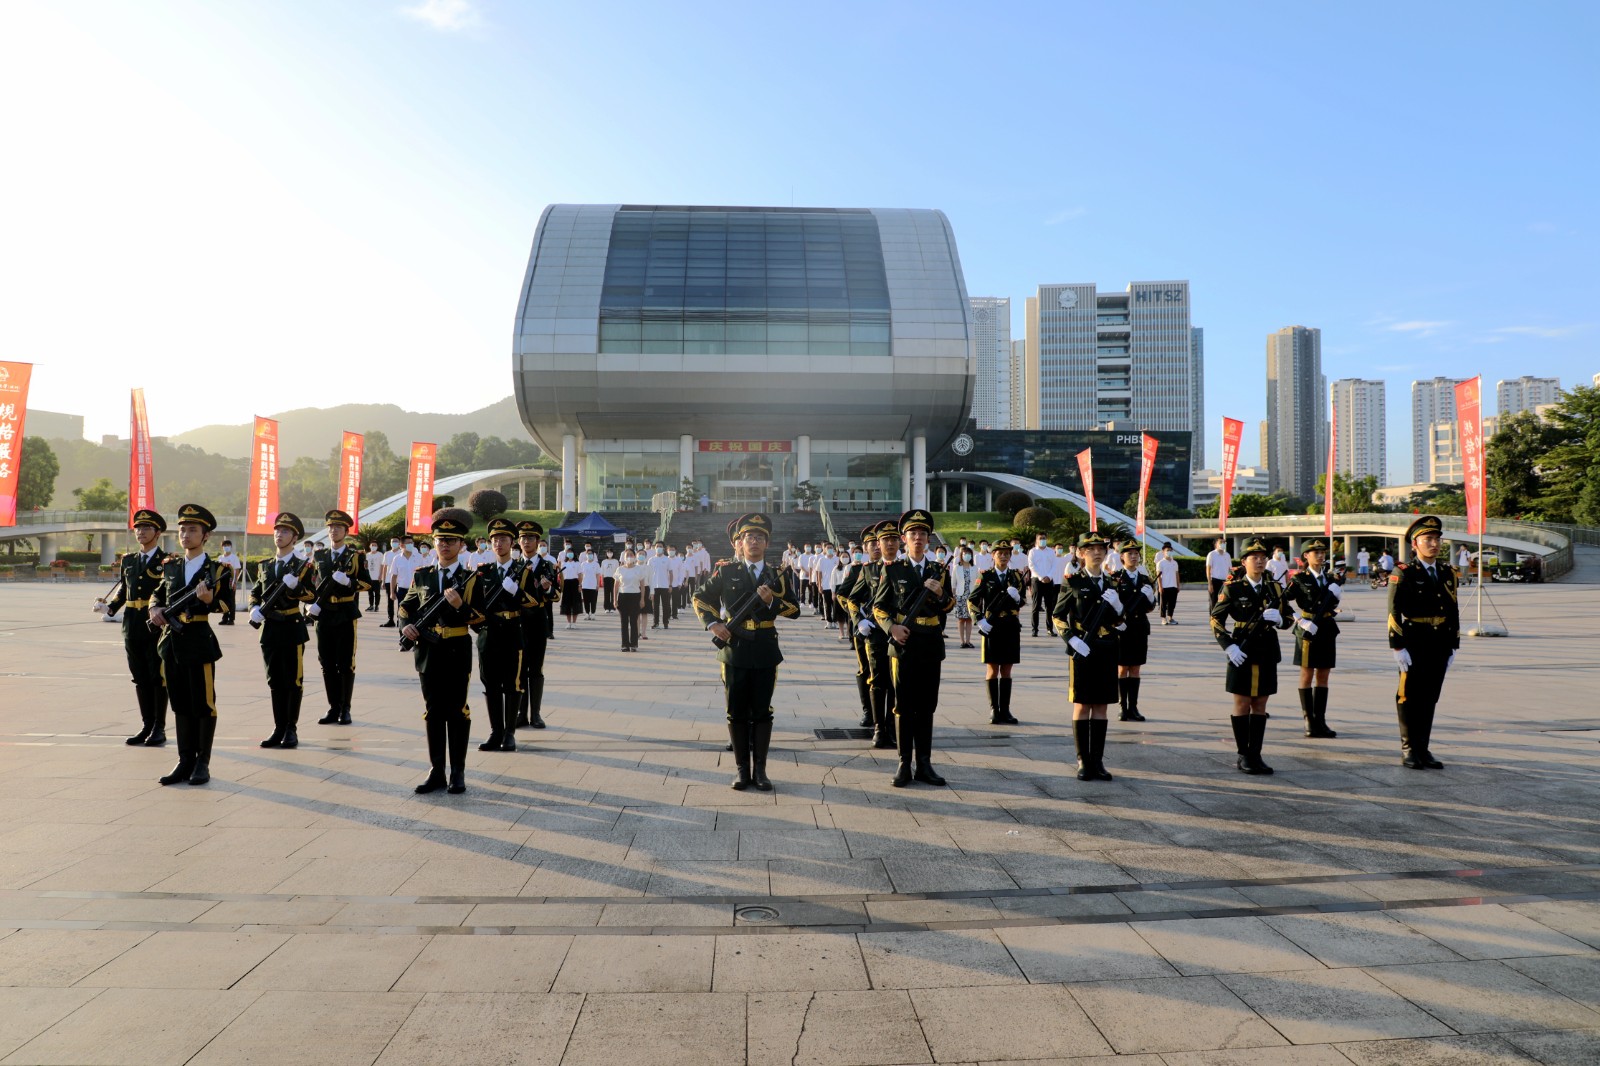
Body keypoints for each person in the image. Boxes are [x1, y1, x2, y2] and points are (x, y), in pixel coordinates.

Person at [692, 513, 800, 790]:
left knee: (762, 711)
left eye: (760, 537)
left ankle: (761, 771)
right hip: (734, 648)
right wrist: (713, 624)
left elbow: (794, 610)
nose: (754, 541)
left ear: (767, 543)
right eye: (748, 537)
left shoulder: (776, 575)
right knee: (736, 711)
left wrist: (772, 600)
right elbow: (700, 597)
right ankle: (742, 770)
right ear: (739, 542)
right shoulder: (727, 571)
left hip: (765, 646)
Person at [399, 508, 485, 795]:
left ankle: (457, 772)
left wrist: (461, 606)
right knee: (433, 711)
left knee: (457, 710)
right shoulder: (422, 575)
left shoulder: (471, 579)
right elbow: (405, 607)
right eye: (440, 540)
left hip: (456, 649)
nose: (445, 545)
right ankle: (436, 770)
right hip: (427, 651)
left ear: (462, 545)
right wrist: (407, 626)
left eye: (451, 540)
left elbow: (481, 620)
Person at [148, 504, 233, 786]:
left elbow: (226, 606)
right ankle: (184, 760)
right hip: (171, 643)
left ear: (205, 535)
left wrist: (210, 601)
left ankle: (202, 762)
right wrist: (154, 610)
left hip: (198, 640)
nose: (185, 534)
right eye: (183, 529)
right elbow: (157, 596)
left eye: (193, 530)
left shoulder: (217, 569)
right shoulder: (171, 566)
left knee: (203, 704)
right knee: (181, 704)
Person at [871, 509, 956, 787]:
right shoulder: (893, 569)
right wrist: (891, 629)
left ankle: (925, 764)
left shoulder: (938, 570)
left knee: (927, 706)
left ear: (928, 540)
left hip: (930, 642)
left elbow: (951, 605)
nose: (917, 538)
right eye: (912, 534)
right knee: (903, 706)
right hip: (904, 644)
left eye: (922, 534)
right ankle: (903, 763)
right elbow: (879, 607)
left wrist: (941, 593)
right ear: (904, 539)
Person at [1211, 538, 1294, 775]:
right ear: (1244, 561)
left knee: (1260, 703)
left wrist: (1280, 620)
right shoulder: (1233, 588)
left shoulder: (1274, 588)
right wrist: (1228, 646)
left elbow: (1288, 617)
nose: (1259, 561)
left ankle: (1256, 753)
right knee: (1242, 702)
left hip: (1266, 649)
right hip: (1242, 649)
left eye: (1262, 557)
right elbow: (1216, 619)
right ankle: (1243, 754)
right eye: (1254, 557)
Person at [1388, 515, 1460, 769]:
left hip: (1439, 640)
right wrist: (1397, 646)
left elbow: (1453, 609)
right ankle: (1409, 749)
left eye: (1437, 539)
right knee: (1409, 695)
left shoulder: (1446, 572)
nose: (1434, 543)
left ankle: (1423, 748)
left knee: (1430, 695)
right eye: (1428, 539)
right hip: (1414, 639)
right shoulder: (1404, 572)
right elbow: (1393, 610)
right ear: (1415, 544)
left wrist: (1453, 644)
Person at [94, 508, 170, 747]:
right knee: (139, 677)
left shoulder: (167, 562)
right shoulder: (129, 560)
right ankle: (146, 725)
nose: (140, 532)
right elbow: (123, 591)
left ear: (157, 532)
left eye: (146, 528)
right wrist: (109, 608)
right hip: (132, 624)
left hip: (155, 625)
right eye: (138, 528)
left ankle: (159, 727)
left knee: (157, 676)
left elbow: (169, 593)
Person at [1053, 532, 1124, 781]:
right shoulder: (1072, 582)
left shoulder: (1114, 583)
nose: (1096, 552)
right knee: (1083, 704)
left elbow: (1120, 620)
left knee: (1102, 706)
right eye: (1090, 549)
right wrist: (1070, 639)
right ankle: (1083, 760)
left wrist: (1119, 607)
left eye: (1100, 548)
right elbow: (1058, 616)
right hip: (1082, 646)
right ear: (1081, 554)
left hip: (1106, 647)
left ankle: (1098, 760)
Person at [250, 512, 317, 749]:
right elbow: (256, 592)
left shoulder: (302, 566)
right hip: (269, 629)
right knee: (274, 680)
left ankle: (291, 728)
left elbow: (311, 595)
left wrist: (296, 586)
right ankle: (278, 727)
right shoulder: (266, 565)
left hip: (291, 627)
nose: (279, 534)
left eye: (286, 531)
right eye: (277, 530)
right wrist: (253, 608)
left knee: (292, 680)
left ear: (295, 536)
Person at [474, 517, 538, 752]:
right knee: (490, 684)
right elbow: (474, 605)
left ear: (512, 542)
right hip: (489, 633)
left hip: (512, 631)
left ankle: (509, 732)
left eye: (503, 539)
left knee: (513, 684)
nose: (498, 543)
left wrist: (517, 592)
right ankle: (495, 732)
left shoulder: (523, 571)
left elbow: (533, 603)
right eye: (494, 539)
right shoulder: (483, 572)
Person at [312, 509, 369, 726]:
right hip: (324, 613)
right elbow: (313, 583)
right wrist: (311, 604)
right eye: (330, 527)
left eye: (338, 527)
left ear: (346, 531)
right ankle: (333, 706)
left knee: (345, 663)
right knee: (326, 662)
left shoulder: (355, 557)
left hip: (345, 613)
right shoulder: (319, 556)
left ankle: (345, 707)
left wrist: (349, 583)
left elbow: (367, 583)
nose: (333, 531)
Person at [1284, 538, 1343, 739]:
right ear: (1305, 557)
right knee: (1307, 674)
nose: (1320, 554)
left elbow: (1331, 604)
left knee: (1324, 675)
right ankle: (1308, 719)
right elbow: (1283, 601)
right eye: (1315, 552)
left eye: (1322, 551)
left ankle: (1321, 720)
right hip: (1308, 628)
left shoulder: (1331, 578)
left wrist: (1336, 594)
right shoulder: (1300, 579)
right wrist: (1299, 620)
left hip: (1326, 627)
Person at [854, 521, 900, 749]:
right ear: (878, 544)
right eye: (885, 540)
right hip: (876, 634)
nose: (890, 544)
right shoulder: (868, 570)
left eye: (894, 539)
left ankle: (892, 727)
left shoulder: (904, 568)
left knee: (895, 682)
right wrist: (859, 620)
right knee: (878, 680)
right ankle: (879, 728)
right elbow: (852, 598)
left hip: (899, 633)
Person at [968, 540, 1025, 725]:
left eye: (1006, 553)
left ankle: (1006, 709)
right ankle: (994, 709)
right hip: (991, 626)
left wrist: (1018, 598)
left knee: (1007, 669)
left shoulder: (1016, 576)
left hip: (1010, 625)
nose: (1003, 555)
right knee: (992, 668)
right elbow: (972, 600)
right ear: (992, 555)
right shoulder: (985, 576)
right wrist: (979, 619)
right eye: (999, 553)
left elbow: (1022, 600)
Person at [833, 528, 879, 726]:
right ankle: (868, 711)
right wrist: (858, 617)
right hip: (864, 627)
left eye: (880, 542)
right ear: (866, 548)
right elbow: (843, 595)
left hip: (889, 628)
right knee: (866, 669)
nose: (877, 547)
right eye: (872, 544)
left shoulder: (895, 568)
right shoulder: (858, 569)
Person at [1113, 539, 1158, 723]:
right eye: (1129, 553)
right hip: (1123, 628)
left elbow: (1150, 608)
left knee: (1136, 669)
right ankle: (1123, 707)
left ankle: (1134, 707)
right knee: (1123, 668)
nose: (1133, 556)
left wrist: (1151, 598)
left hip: (1139, 628)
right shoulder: (1115, 578)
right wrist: (1116, 621)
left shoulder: (1145, 579)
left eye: (1136, 553)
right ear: (1122, 557)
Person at [515, 521, 555, 728]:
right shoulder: (513, 566)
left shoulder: (548, 566)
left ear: (538, 542)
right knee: (520, 669)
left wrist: (547, 589)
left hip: (538, 621)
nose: (526, 541)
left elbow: (556, 595)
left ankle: (536, 714)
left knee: (535, 669)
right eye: (523, 538)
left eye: (531, 538)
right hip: (518, 622)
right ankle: (521, 713)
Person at [614, 547, 647, 650]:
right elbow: (616, 586)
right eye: (627, 555)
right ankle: (625, 644)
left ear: (634, 557)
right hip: (623, 596)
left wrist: (642, 599)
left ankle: (634, 644)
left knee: (633, 621)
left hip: (635, 596)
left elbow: (642, 585)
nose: (629, 557)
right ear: (624, 557)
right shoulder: (620, 569)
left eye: (631, 555)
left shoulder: (638, 569)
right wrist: (615, 599)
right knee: (624, 622)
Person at [1028, 533, 1060, 637]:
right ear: (1036, 540)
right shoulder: (1032, 552)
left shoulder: (1051, 552)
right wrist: (1041, 577)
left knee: (1049, 606)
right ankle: (1035, 629)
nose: (1042, 540)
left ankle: (1050, 628)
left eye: (1044, 538)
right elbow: (1031, 566)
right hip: (1037, 580)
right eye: (1040, 538)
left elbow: (1055, 565)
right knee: (1036, 606)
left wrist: (1049, 577)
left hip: (1049, 580)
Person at [385, 538, 419, 628]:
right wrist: (392, 592)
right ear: (402, 545)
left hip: (416, 591)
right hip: (402, 590)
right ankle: (402, 633)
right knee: (403, 614)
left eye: (412, 543)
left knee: (416, 614)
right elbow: (393, 576)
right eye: (408, 543)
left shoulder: (418, 557)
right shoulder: (397, 559)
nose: (411, 545)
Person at [949, 544, 978, 649]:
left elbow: (977, 582)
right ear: (961, 555)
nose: (967, 555)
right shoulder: (957, 567)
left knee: (969, 619)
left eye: (969, 554)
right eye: (965, 554)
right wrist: (953, 595)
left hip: (971, 596)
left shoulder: (975, 568)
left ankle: (968, 641)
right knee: (961, 619)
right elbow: (953, 582)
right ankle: (962, 641)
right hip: (960, 596)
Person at [216, 540, 242, 624]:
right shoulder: (220, 558)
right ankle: (224, 618)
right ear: (222, 547)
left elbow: (237, 570)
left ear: (231, 546)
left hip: (230, 581)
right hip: (221, 582)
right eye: (225, 545)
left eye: (228, 545)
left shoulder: (234, 558)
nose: (226, 546)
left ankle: (231, 619)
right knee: (223, 600)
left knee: (231, 600)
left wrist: (235, 582)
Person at [648, 545, 674, 629]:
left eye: (660, 547)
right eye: (657, 546)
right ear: (655, 548)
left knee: (666, 605)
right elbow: (648, 573)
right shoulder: (651, 560)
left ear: (663, 549)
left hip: (665, 585)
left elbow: (670, 573)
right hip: (654, 586)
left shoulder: (667, 559)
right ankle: (656, 623)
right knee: (655, 606)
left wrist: (670, 585)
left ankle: (666, 622)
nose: (658, 548)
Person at [1156, 543, 1181, 624]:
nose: (1169, 552)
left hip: (1173, 586)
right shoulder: (1160, 563)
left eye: (1170, 550)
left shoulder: (1175, 563)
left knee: (1172, 603)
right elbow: (1158, 576)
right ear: (1163, 552)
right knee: (1163, 603)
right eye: (1167, 551)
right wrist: (1160, 586)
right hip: (1165, 586)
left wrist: (1178, 585)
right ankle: (1163, 618)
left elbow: (1177, 574)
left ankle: (1170, 617)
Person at [559, 547, 583, 629]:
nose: (570, 554)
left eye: (571, 552)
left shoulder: (577, 563)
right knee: (567, 603)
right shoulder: (563, 563)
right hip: (566, 584)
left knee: (575, 603)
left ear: (574, 553)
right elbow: (561, 576)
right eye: (568, 552)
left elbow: (580, 575)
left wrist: (580, 585)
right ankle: (568, 622)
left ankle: (574, 622)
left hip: (574, 583)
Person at [1205, 538, 1231, 608]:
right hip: (1215, 581)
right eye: (1221, 542)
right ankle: (1213, 618)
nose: (1223, 544)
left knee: (1224, 602)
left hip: (1225, 582)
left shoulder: (1227, 555)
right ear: (1216, 544)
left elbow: (1230, 569)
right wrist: (1210, 584)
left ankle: (1221, 618)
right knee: (1213, 602)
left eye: (1224, 542)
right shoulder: (1211, 554)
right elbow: (1208, 569)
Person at [365, 542, 385, 612]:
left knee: (377, 593)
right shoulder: (367, 555)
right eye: (372, 545)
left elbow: (382, 565)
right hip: (369, 577)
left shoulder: (380, 555)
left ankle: (376, 606)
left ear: (377, 547)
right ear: (370, 546)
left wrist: (381, 575)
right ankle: (371, 606)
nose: (374, 546)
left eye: (375, 545)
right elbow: (365, 565)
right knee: (370, 593)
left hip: (377, 577)